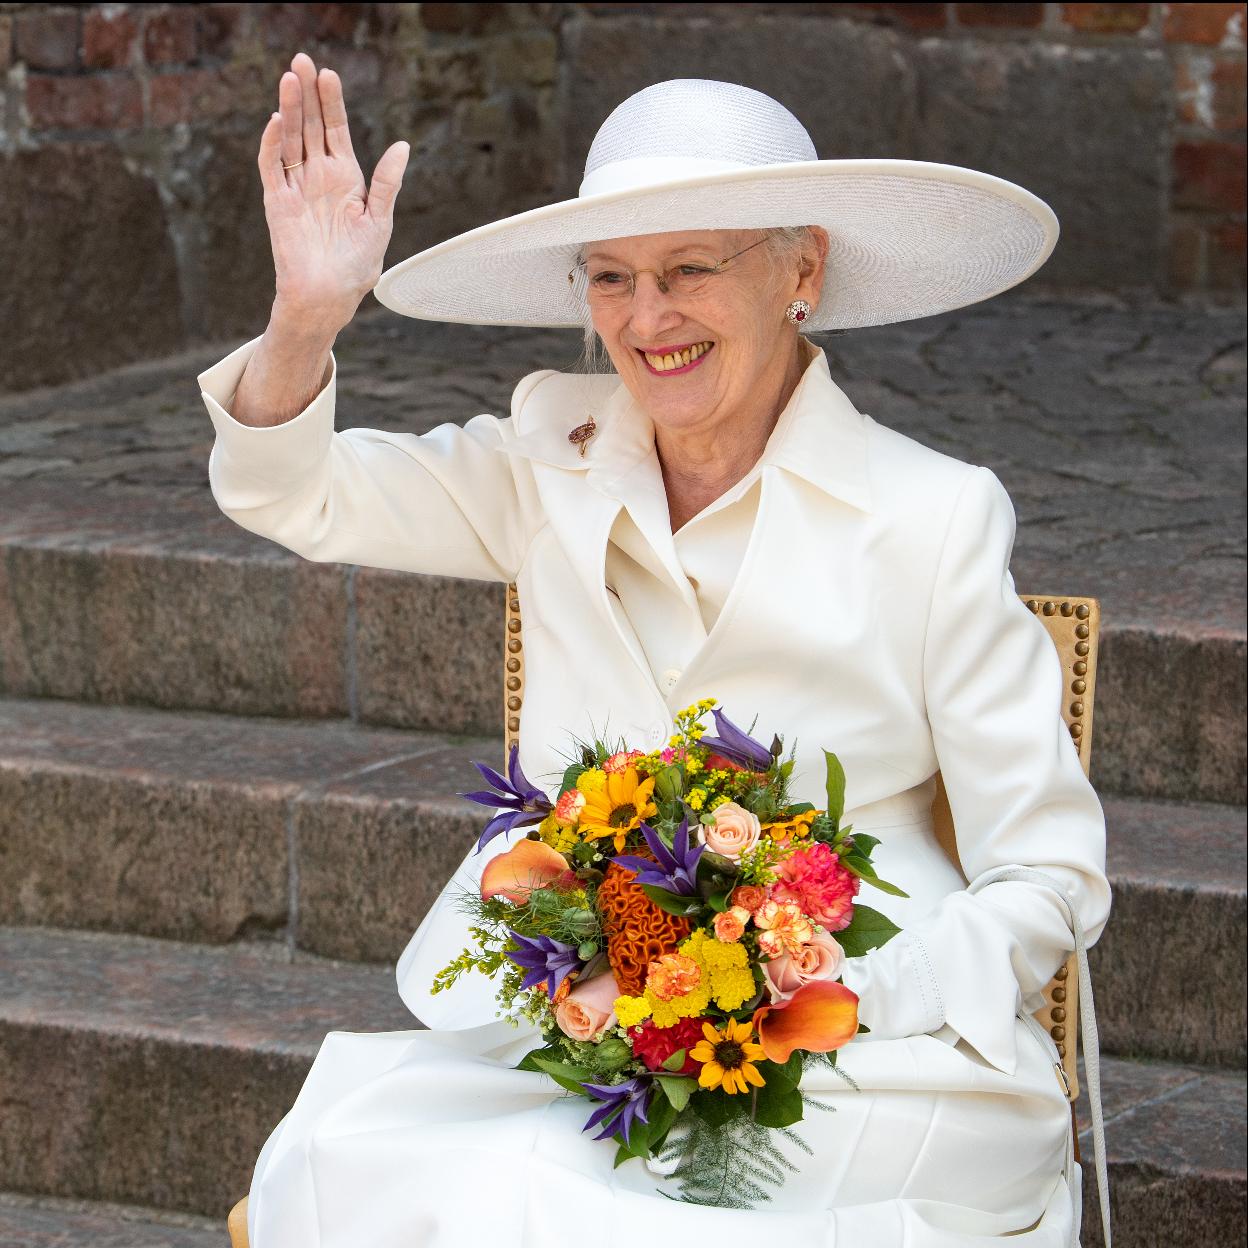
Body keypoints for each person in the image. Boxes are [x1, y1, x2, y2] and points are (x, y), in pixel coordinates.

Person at [197, 54, 1112, 1248]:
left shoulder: (934, 515)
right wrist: (304, 323)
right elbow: (298, 495)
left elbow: (1051, 873)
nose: (645, 318)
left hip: (873, 1064)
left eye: (689, 270)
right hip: (581, 1040)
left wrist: (846, 990)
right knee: (351, 1159)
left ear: (803, 270)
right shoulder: (549, 456)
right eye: (613, 278)